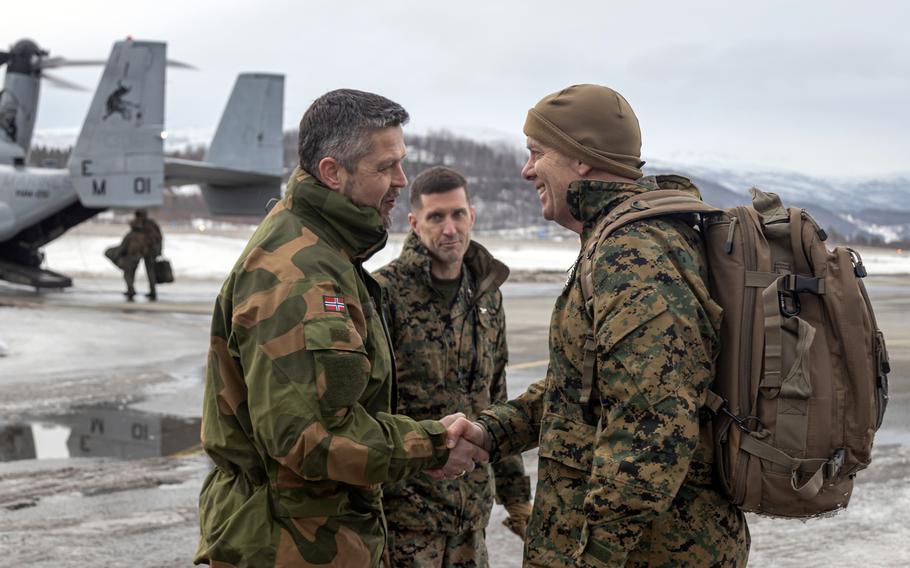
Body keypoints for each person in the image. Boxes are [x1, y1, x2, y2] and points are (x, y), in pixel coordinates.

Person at [453, 84, 750, 567]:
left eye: (537, 153)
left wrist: (591, 558)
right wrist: (491, 432)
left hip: (651, 553)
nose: (527, 170)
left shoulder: (632, 254)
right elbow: (585, 390)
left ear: (581, 158)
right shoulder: (622, 240)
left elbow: (653, 430)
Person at [194, 89, 489, 568]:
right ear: (333, 172)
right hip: (288, 545)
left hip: (314, 537)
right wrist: (430, 445)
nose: (401, 180)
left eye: (402, 162)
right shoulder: (300, 274)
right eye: (385, 167)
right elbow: (308, 438)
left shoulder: (326, 250)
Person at [373, 166, 532, 567]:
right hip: (406, 516)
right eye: (436, 217)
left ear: (472, 216)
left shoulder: (485, 296)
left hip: (471, 516)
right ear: (413, 223)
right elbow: (370, 408)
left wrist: (516, 499)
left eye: (458, 214)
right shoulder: (384, 293)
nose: (450, 229)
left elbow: (497, 397)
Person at [119, 209, 162, 301]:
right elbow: (159, 238)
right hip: (148, 251)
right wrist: (158, 251)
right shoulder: (151, 224)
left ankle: (131, 289)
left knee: (130, 271)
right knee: (149, 272)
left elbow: (130, 238)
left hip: (139, 251)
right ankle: (152, 291)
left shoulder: (138, 224)